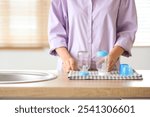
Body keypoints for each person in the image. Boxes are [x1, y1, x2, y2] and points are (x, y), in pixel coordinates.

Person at [48, 0, 137, 73]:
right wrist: (67, 59)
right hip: (70, 71)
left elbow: (127, 31)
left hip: (107, 73)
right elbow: (56, 32)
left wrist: (113, 56)